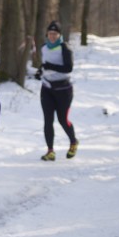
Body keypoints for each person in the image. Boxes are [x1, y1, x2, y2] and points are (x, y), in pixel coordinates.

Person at [33, 21, 79, 161]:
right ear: (47, 34)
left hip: (63, 89)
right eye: (50, 33)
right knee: (48, 121)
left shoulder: (65, 48)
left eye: (55, 34)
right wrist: (40, 72)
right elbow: (45, 65)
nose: (52, 36)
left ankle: (73, 142)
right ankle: (50, 151)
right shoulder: (43, 48)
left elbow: (68, 68)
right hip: (47, 88)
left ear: (59, 35)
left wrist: (49, 66)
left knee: (63, 120)